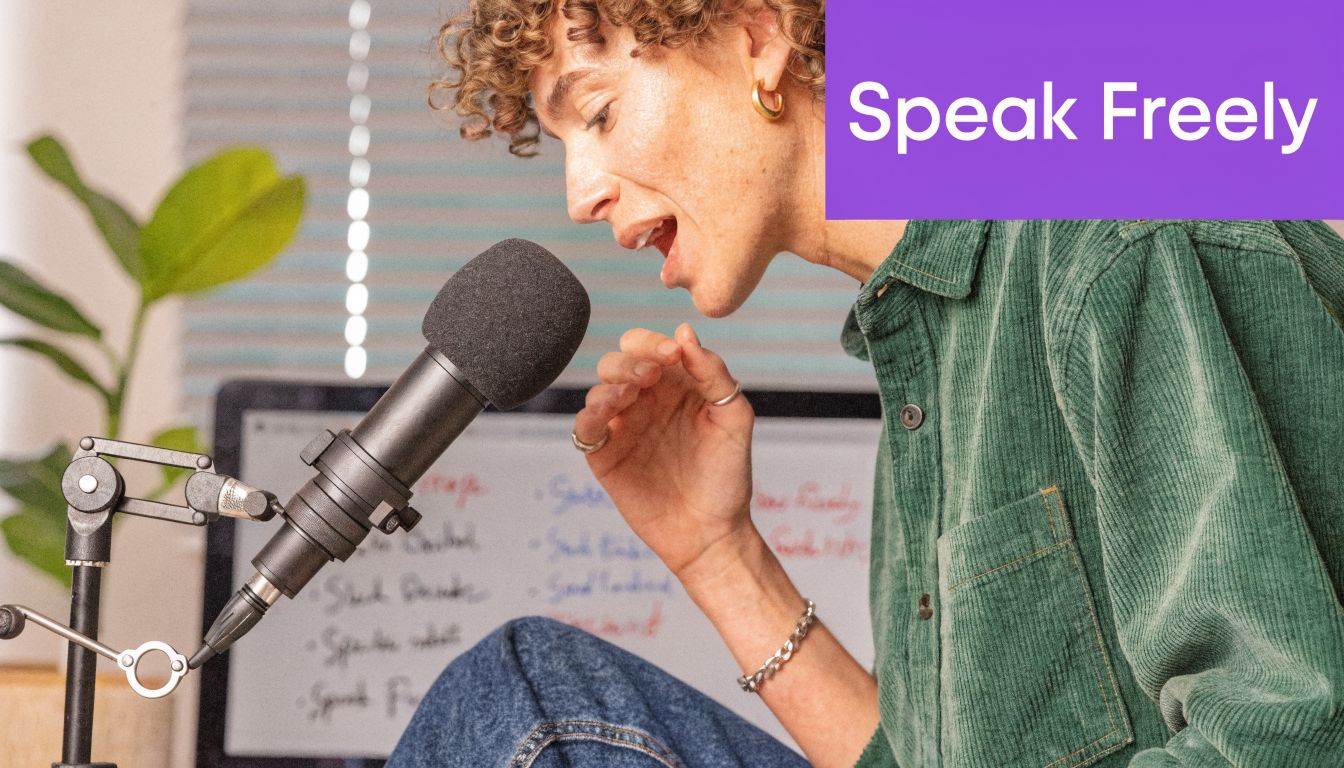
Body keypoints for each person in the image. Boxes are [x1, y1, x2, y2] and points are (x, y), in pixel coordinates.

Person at [388, 1, 1344, 766]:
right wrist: (718, 555)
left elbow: (1286, 739)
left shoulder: (1121, 241)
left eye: (598, 113)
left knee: (520, 693)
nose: (579, 193)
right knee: (535, 687)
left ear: (759, 39)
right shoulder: (928, 345)